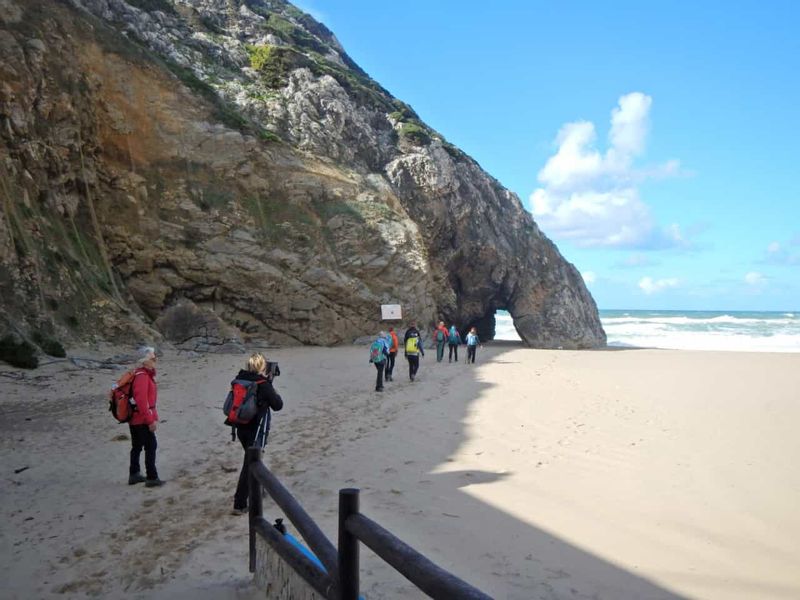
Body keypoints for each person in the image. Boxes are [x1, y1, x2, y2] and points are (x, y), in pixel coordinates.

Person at [231, 353, 283, 515]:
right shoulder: (263, 384)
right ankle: (239, 504)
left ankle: (258, 488)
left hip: (240, 427)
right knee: (251, 463)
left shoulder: (240, 379)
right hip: (256, 429)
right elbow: (278, 405)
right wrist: (269, 384)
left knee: (253, 460)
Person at [128, 346, 163, 487]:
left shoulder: (140, 374)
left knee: (136, 446)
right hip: (142, 418)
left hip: (135, 418)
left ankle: (134, 474)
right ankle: (152, 477)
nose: (155, 360)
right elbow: (142, 401)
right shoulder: (142, 376)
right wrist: (150, 421)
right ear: (145, 360)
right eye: (153, 358)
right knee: (151, 446)